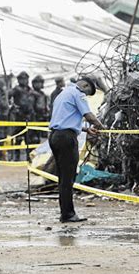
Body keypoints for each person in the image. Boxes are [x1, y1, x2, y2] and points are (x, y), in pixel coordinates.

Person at [49, 76, 105, 223]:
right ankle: (68, 214)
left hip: (55, 136)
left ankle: (65, 212)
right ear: (85, 86)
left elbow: (65, 119)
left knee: (63, 178)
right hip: (66, 138)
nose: (86, 96)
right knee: (68, 178)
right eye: (88, 93)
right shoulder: (77, 93)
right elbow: (89, 115)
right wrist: (102, 127)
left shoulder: (62, 94)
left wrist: (86, 130)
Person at [8, 71, 34, 161]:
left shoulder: (30, 90)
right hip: (18, 116)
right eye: (22, 79)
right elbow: (7, 96)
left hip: (28, 117)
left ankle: (29, 157)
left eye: (26, 79)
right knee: (18, 138)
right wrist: (12, 106)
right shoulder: (16, 89)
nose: (24, 81)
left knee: (28, 138)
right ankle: (16, 156)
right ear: (19, 80)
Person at [29, 75, 49, 143]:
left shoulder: (42, 93)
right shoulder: (32, 94)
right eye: (38, 83)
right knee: (34, 138)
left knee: (43, 137)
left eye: (41, 82)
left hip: (42, 117)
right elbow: (31, 107)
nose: (40, 84)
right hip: (35, 118)